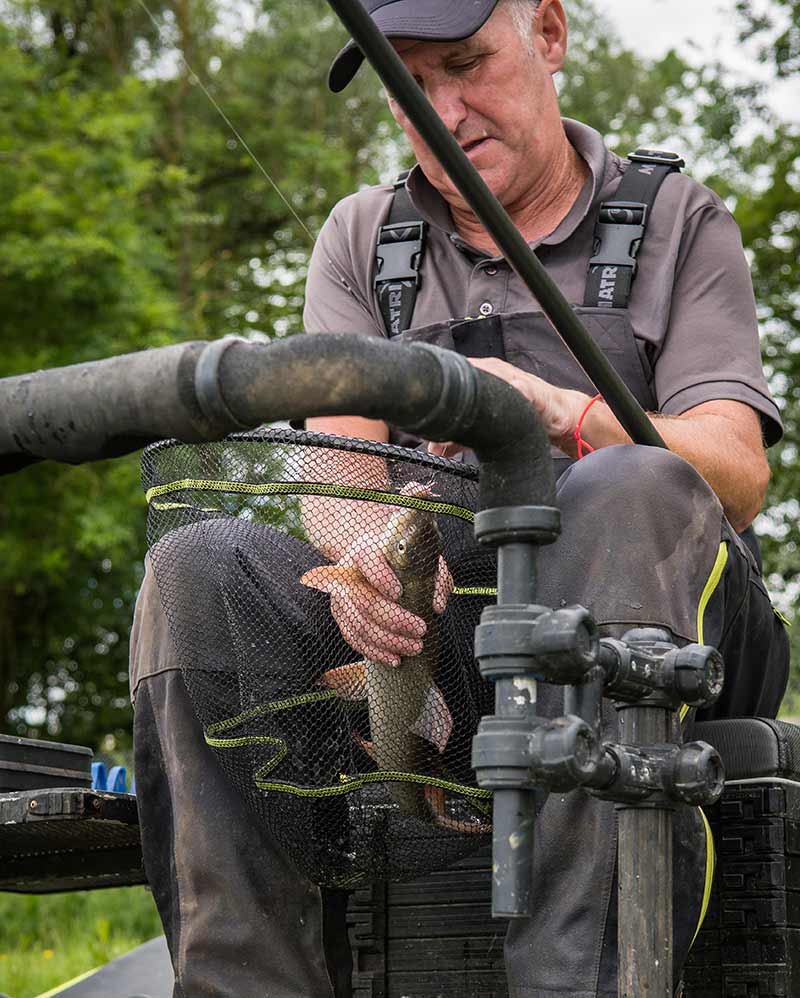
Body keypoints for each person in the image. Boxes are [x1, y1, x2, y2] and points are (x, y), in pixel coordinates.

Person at [130, 1, 789, 995]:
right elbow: (340, 477)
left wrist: (559, 414)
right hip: (444, 640)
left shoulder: (672, 221)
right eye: (411, 86)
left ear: (549, 35)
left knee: (629, 480)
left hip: (659, 637)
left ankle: (576, 976)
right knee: (199, 564)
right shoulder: (360, 238)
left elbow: (735, 475)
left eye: (465, 63)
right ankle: (243, 977)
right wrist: (359, 562)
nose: (446, 109)